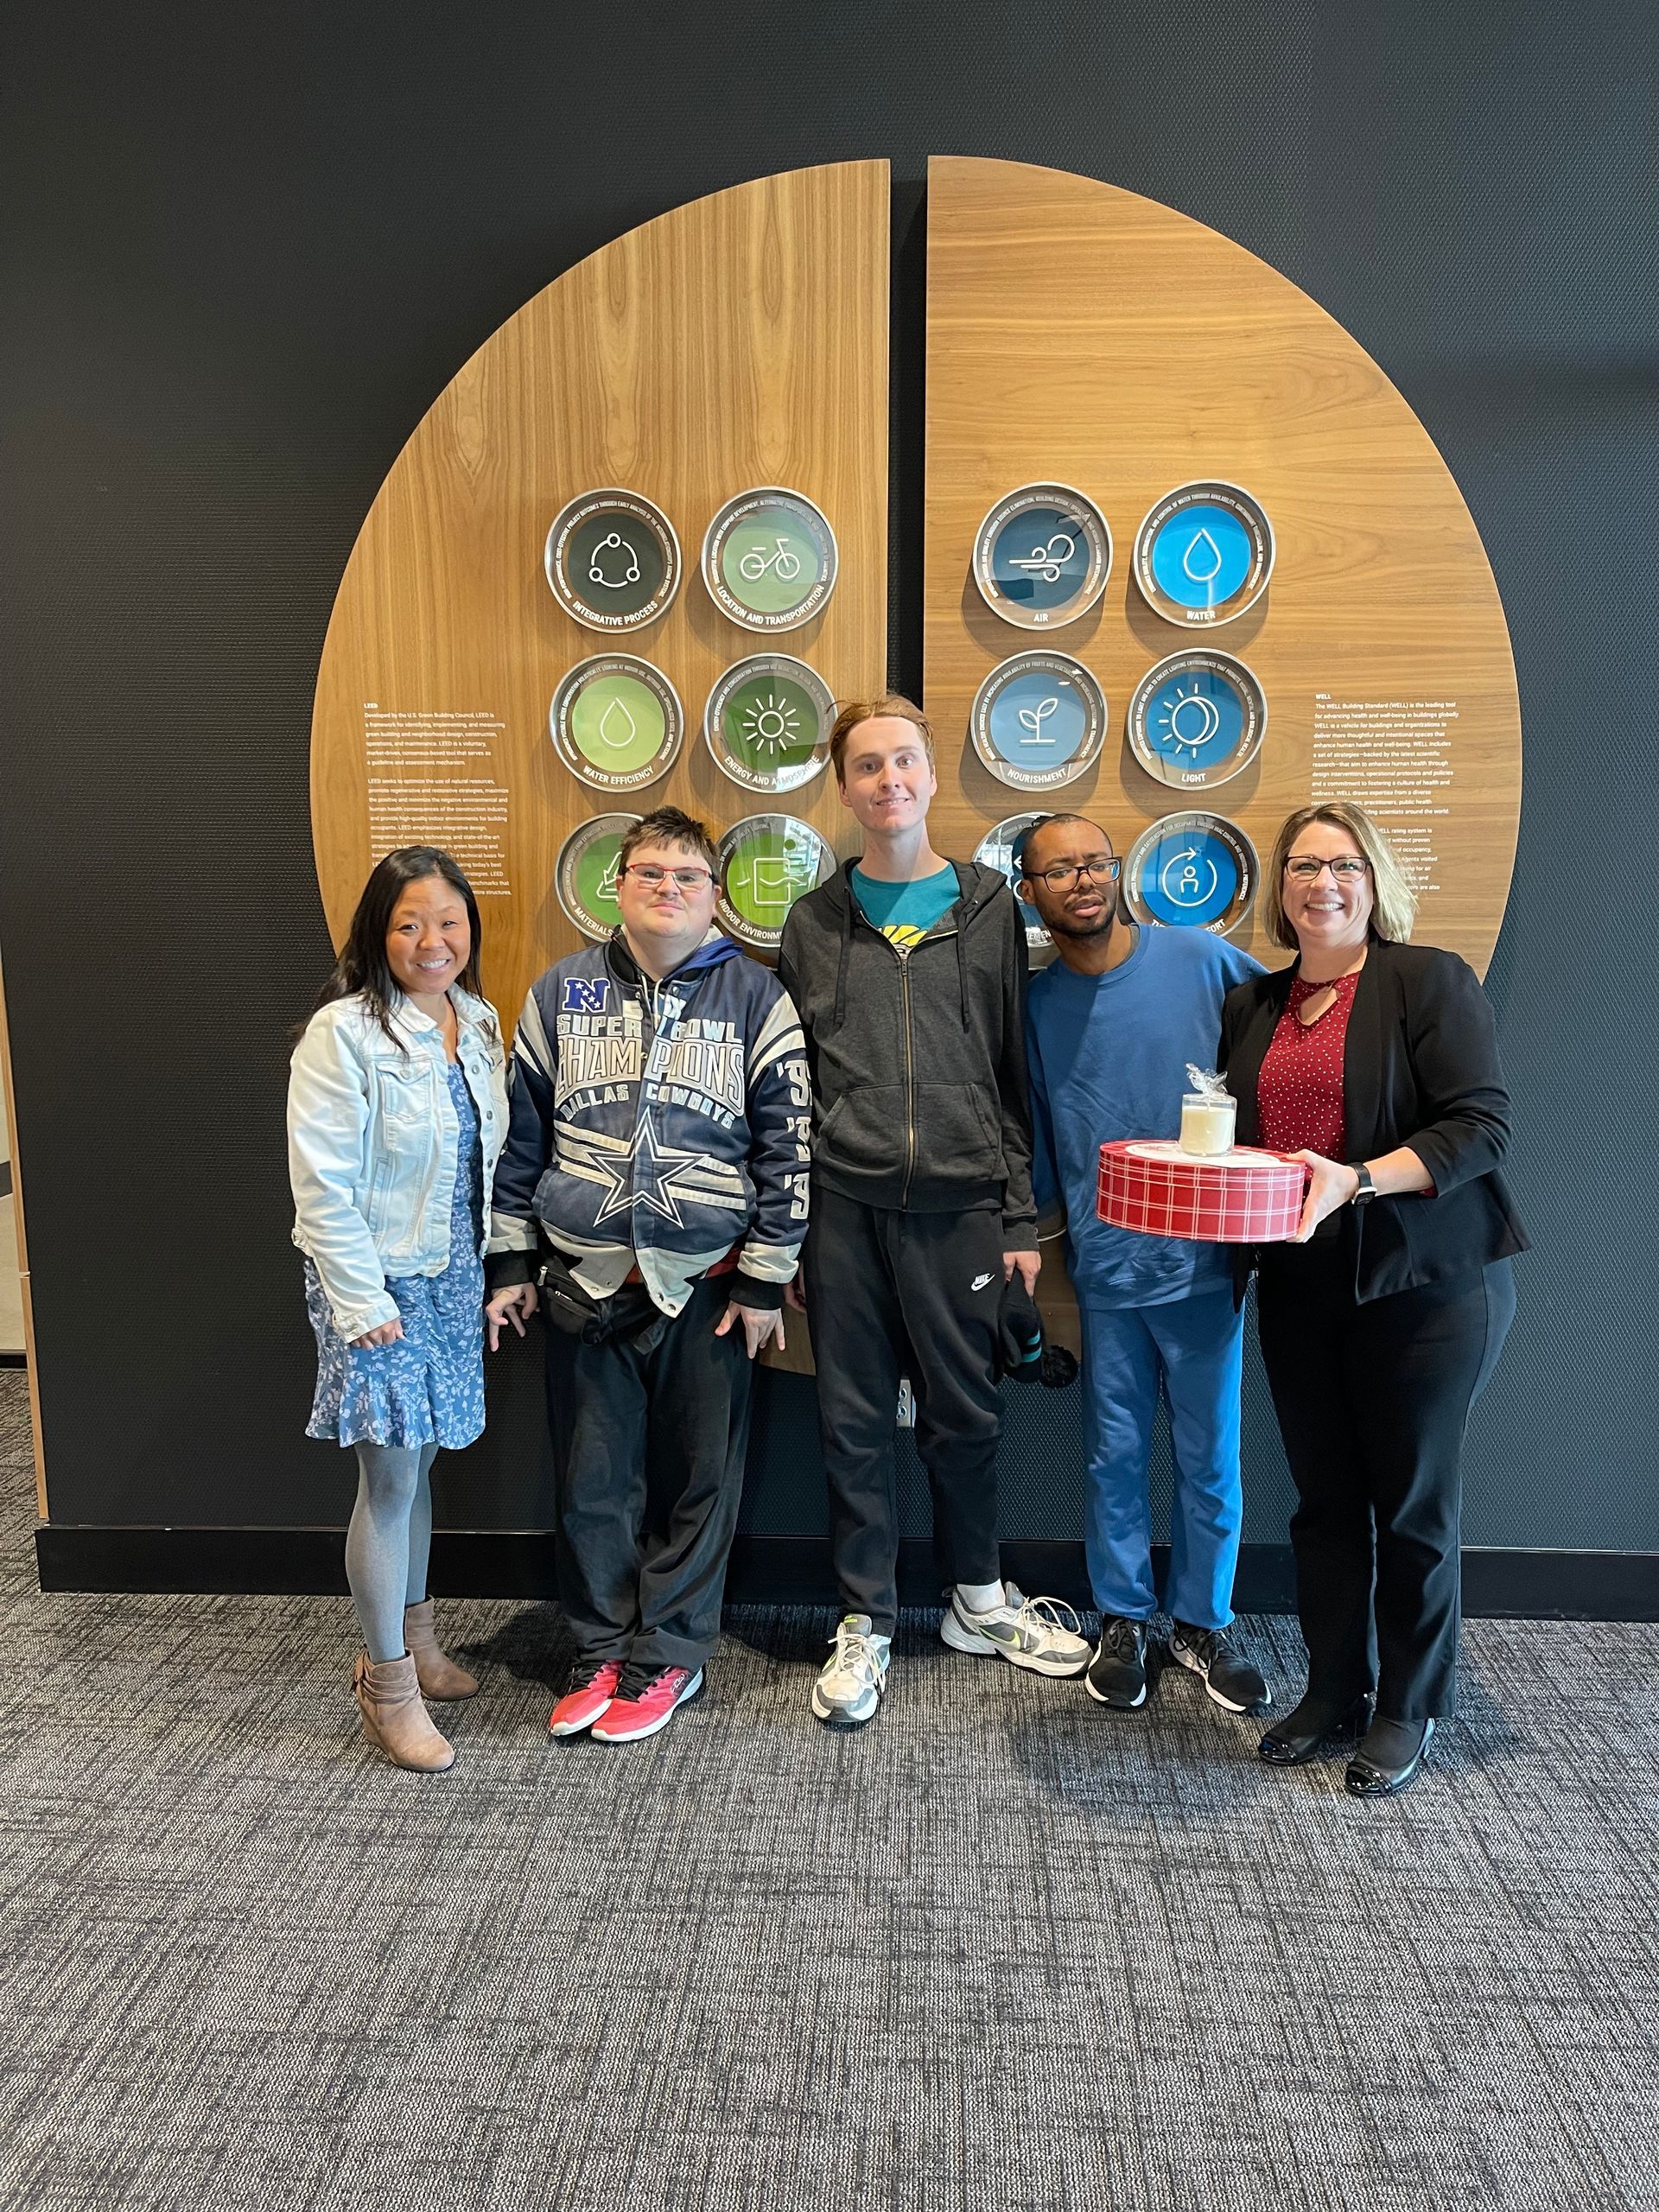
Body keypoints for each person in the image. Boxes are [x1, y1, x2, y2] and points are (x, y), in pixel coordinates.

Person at [778, 696, 1090, 1729]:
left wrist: (1015, 1218)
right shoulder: (814, 921)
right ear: (846, 786)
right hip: (845, 1206)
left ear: (930, 773)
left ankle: (977, 1598)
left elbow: (1011, 1072)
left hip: (961, 1203)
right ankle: (866, 1618)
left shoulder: (990, 906)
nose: (888, 781)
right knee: (853, 1420)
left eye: (903, 760)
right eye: (866, 766)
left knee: (967, 1415)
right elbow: (796, 1080)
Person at [1219, 801, 1528, 1796]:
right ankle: (1334, 1690)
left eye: (1343, 864)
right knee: (1323, 1508)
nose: (1323, 883)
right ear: (1282, 888)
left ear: (1374, 877)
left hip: (1424, 1284)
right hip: (1302, 1286)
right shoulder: (1255, 1005)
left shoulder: (1424, 980)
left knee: (1413, 1508)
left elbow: (1480, 1126)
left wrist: (1359, 1176)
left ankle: (1408, 1704)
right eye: (1304, 866)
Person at [484, 807, 810, 1745]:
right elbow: (520, 1137)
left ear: (716, 895)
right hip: (581, 1280)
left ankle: (667, 1650)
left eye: (688, 877)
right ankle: (597, 1646)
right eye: (650, 873)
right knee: (594, 1479)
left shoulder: (758, 998)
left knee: (700, 1480)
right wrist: (509, 1259)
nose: (668, 889)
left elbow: (791, 1148)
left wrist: (762, 1278)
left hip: (708, 1284)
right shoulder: (560, 992)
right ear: (616, 885)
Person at [1020, 814, 1272, 1718]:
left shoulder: (1200, 957)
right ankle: (1124, 1616)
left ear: (1117, 872)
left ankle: (1203, 1620)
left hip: (1207, 1265)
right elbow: (1043, 1147)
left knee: (1211, 1459)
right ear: (1033, 892)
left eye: (1093, 862)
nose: (1081, 880)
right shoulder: (1039, 1008)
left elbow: (1279, 1043)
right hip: (1104, 1267)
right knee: (1113, 1456)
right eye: (1058, 870)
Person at [288, 847, 511, 1773]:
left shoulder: (480, 1022)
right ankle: (387, 1685)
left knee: (418, 1470)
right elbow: (321, 1183)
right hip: (377, 1282)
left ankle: (418, 1643)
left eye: (449, 922)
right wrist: (359, 1297)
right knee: (386, 1482)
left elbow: (485, 1169)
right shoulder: (343, 1032)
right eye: (410, 922)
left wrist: (500, 1267)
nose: (433, 940)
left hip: (453, 1274)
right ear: (378, 933)